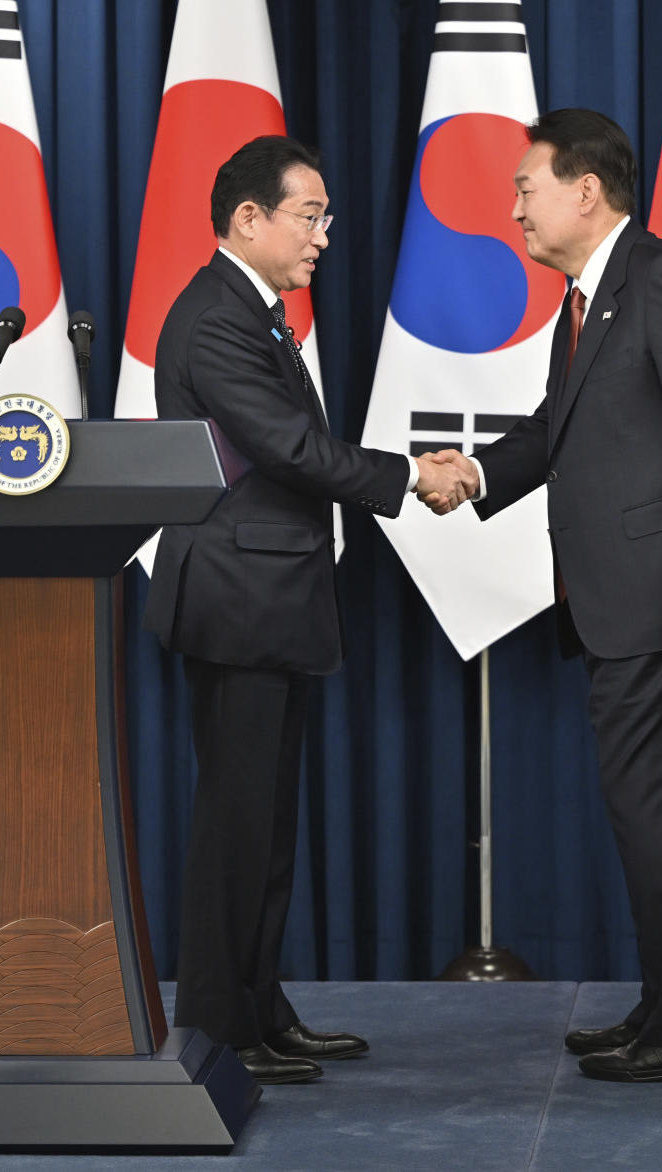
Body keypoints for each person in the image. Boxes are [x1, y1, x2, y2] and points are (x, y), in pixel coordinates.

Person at [422, 109, 662, 1082]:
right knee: (656, 814)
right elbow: (558, 429)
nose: (512, 211)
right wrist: (479, 476)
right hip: (631, 600)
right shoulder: (592, 300)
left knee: (653, 810)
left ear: (587, 191)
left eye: (524, 188)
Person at [145, 134, 475, 1085]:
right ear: (248, 219)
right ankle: (217, 1025)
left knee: (268, 821)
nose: (324, 235)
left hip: (269, 596)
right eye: (310, 215)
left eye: (325, 217)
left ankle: (259, 1009)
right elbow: (290, 448)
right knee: (237, 824)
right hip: (237, 598)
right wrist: (412, 475)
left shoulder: (253, 311)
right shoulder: (217, 318)